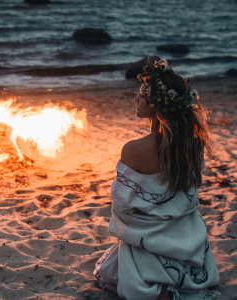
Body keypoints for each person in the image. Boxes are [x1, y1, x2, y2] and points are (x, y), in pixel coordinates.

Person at [93, 58, 220, 300]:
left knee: (112, 265)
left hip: (147, 236)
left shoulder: (133, 149)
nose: (136, 99)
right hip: (184, 234)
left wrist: (143, 224)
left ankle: (156, 278)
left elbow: (122, 209)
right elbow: (189, 201)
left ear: (157, 104)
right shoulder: (192, 145)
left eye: (142, 95)